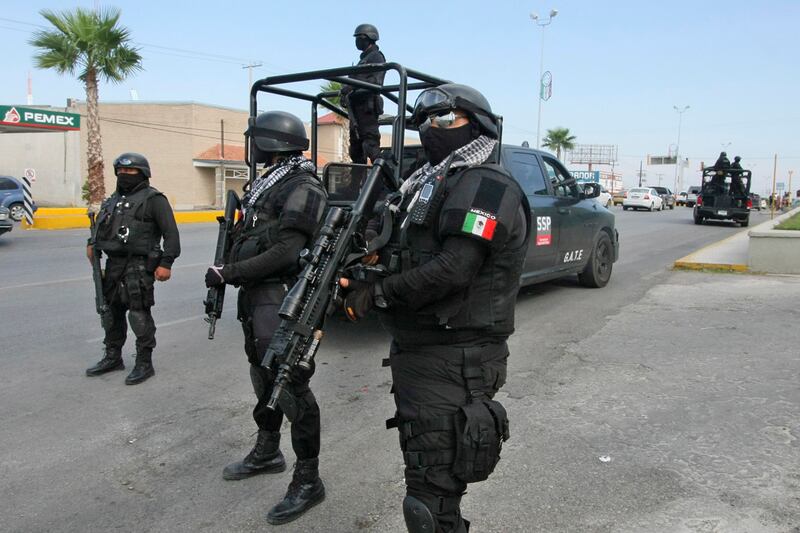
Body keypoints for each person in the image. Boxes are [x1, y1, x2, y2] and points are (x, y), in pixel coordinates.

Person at [340, 84, 531, 532]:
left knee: (430, 500)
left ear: (478, 126)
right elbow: (402, 252)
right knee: (428, 481)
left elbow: (454, 269)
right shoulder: (426, 183)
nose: (431, 129)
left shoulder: (487, 185)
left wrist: (380, 293)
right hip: (422, 352)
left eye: (445, 119)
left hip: (457, 356)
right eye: (423, 121)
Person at [204, 111, 328, 525]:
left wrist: (231, 272)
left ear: (273, 142)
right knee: (262, 375)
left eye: (256, 140)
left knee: (290, 387)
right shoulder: (267, 184)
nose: (252, 147)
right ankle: (268, 450)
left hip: (284, 297)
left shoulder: (303, 187)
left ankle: (308, 479)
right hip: (257, 297)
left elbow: (287, 252)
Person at [85, 153, 180, 385]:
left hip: (138, 267)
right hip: (113, 266)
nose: (124, 175)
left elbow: (171, 235)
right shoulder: (112, 201)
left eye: (130, 171)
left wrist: (166, 263)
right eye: (121, 171)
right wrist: (91, 245)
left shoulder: (154, 199)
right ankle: (113, 357)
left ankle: (144, 362)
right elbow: (101, 229)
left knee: (138, 315)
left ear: (143, 173)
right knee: (111, 313)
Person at [340, 23, 386, 165]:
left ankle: (384, 176)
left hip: (367, 109)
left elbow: (375, 82)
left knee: (371, 146)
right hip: (356, 111)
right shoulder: (363, 60)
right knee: (356, 150)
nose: (356, 42)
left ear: (366, 38)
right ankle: (358, 178)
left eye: (358, 38)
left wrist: (351, 86)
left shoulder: (376, 57)